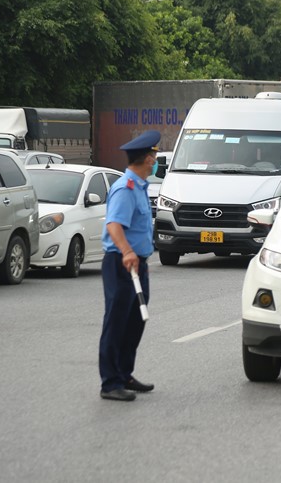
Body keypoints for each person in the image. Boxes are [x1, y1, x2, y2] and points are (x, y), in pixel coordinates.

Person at [98, 130, 161, 402]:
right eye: (155, 156)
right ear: (148, 158)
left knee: (135, 321)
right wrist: (126, 251)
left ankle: (124, 374)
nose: (156, 161)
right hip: (121, 263)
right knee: (117, 322)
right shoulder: (126, 188)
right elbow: (114, 225)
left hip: (138, 264)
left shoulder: (140, 187)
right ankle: (110, 382)